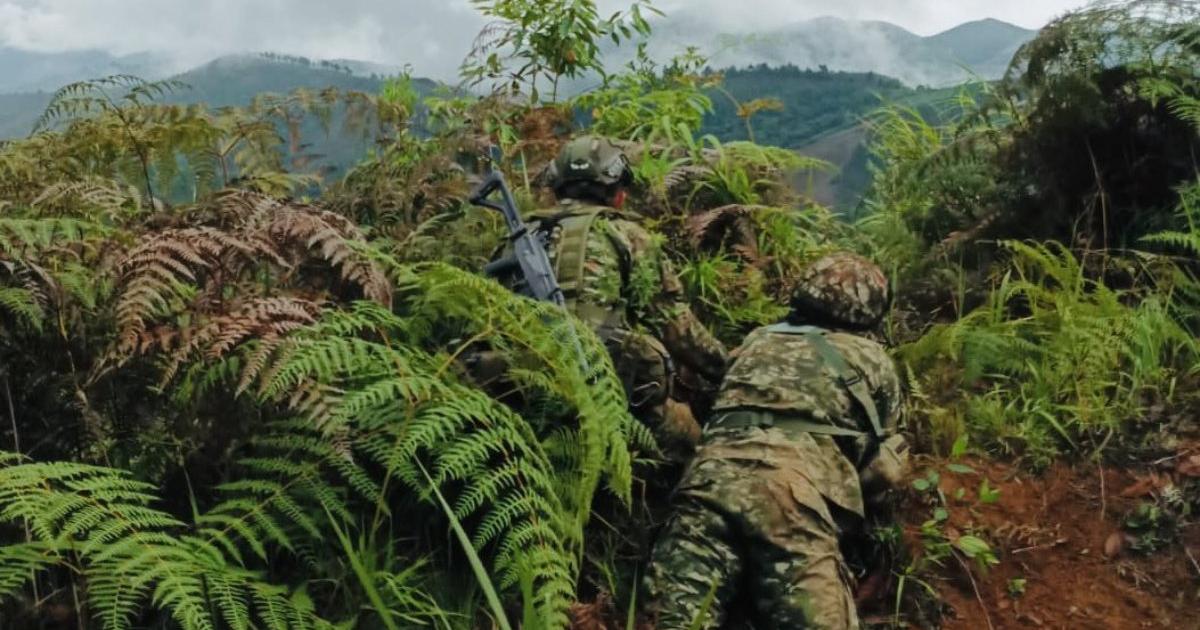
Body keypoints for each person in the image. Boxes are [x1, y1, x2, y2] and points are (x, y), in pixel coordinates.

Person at [644, 252, 910, 629]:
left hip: (706, 487)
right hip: (793, 504)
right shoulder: (872, 358)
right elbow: (882, 458)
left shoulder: (754, 342)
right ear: (870, 311)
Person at [489, 135, 729, 454]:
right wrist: (728, 368)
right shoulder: (627, 236)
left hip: (521, 392)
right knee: (701, 453)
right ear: (617, 193)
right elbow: (676, 328)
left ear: (555, 186)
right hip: (606, 393)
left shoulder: (519, 238)